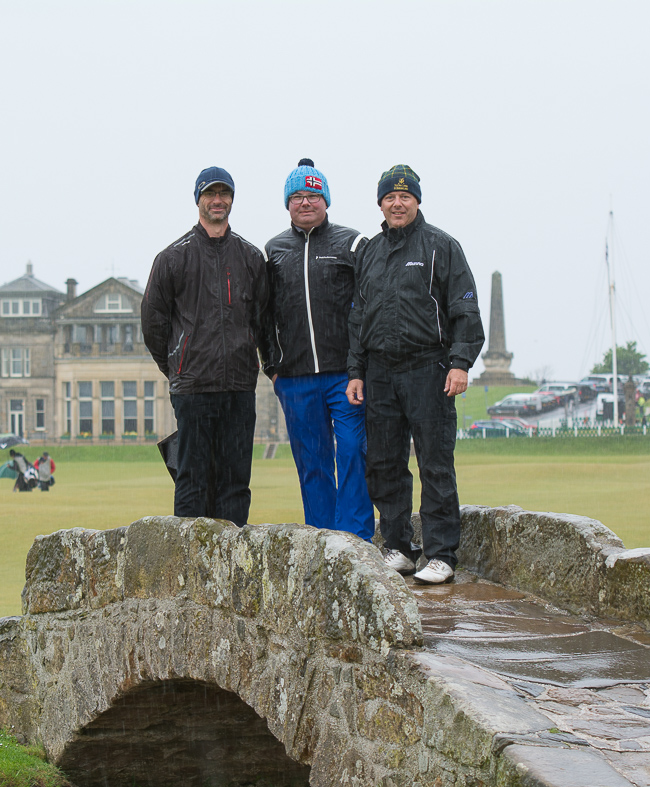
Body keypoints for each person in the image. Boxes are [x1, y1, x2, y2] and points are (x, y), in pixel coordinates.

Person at [346, 165, 485, 585]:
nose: (397, 203)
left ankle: (441, 554)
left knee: (435, 463)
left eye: (405, 197)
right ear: (381, 204)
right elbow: (358, 319)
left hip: (430, 368)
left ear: (417, 201)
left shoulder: (441, 246)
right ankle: (399, 548)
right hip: (381, 372)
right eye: (390, 197)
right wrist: (356, 371)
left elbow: (465, 309)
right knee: (385, 462)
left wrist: (460, 362)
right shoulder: (369, 251)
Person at [141, 166, 268, 527]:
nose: (217, 200)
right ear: (198, 199)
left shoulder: (250, 257)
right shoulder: (172, 258)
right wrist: (177, 365)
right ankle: (191, 569)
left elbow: (262, 318)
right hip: (193, 388)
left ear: (231, 200)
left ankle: (230, 566)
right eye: (210, 194)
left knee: (235, 482)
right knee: (192, 480)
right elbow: (153, 322)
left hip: (240, 387)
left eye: (224, 193)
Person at [262, 158, 373, 540]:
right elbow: (263, 314)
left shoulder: (352, 242)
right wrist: (271, 367)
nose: (305, 202)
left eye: (313, 195)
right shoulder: (273, 250)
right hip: (294, 378)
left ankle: (356, 538)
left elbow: (371, 305)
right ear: (287, 204)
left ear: (326, 200)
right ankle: (323, 538)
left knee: (354, 450)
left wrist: (362, 365)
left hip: (346, 375)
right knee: (312, 462)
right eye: (297, 196)